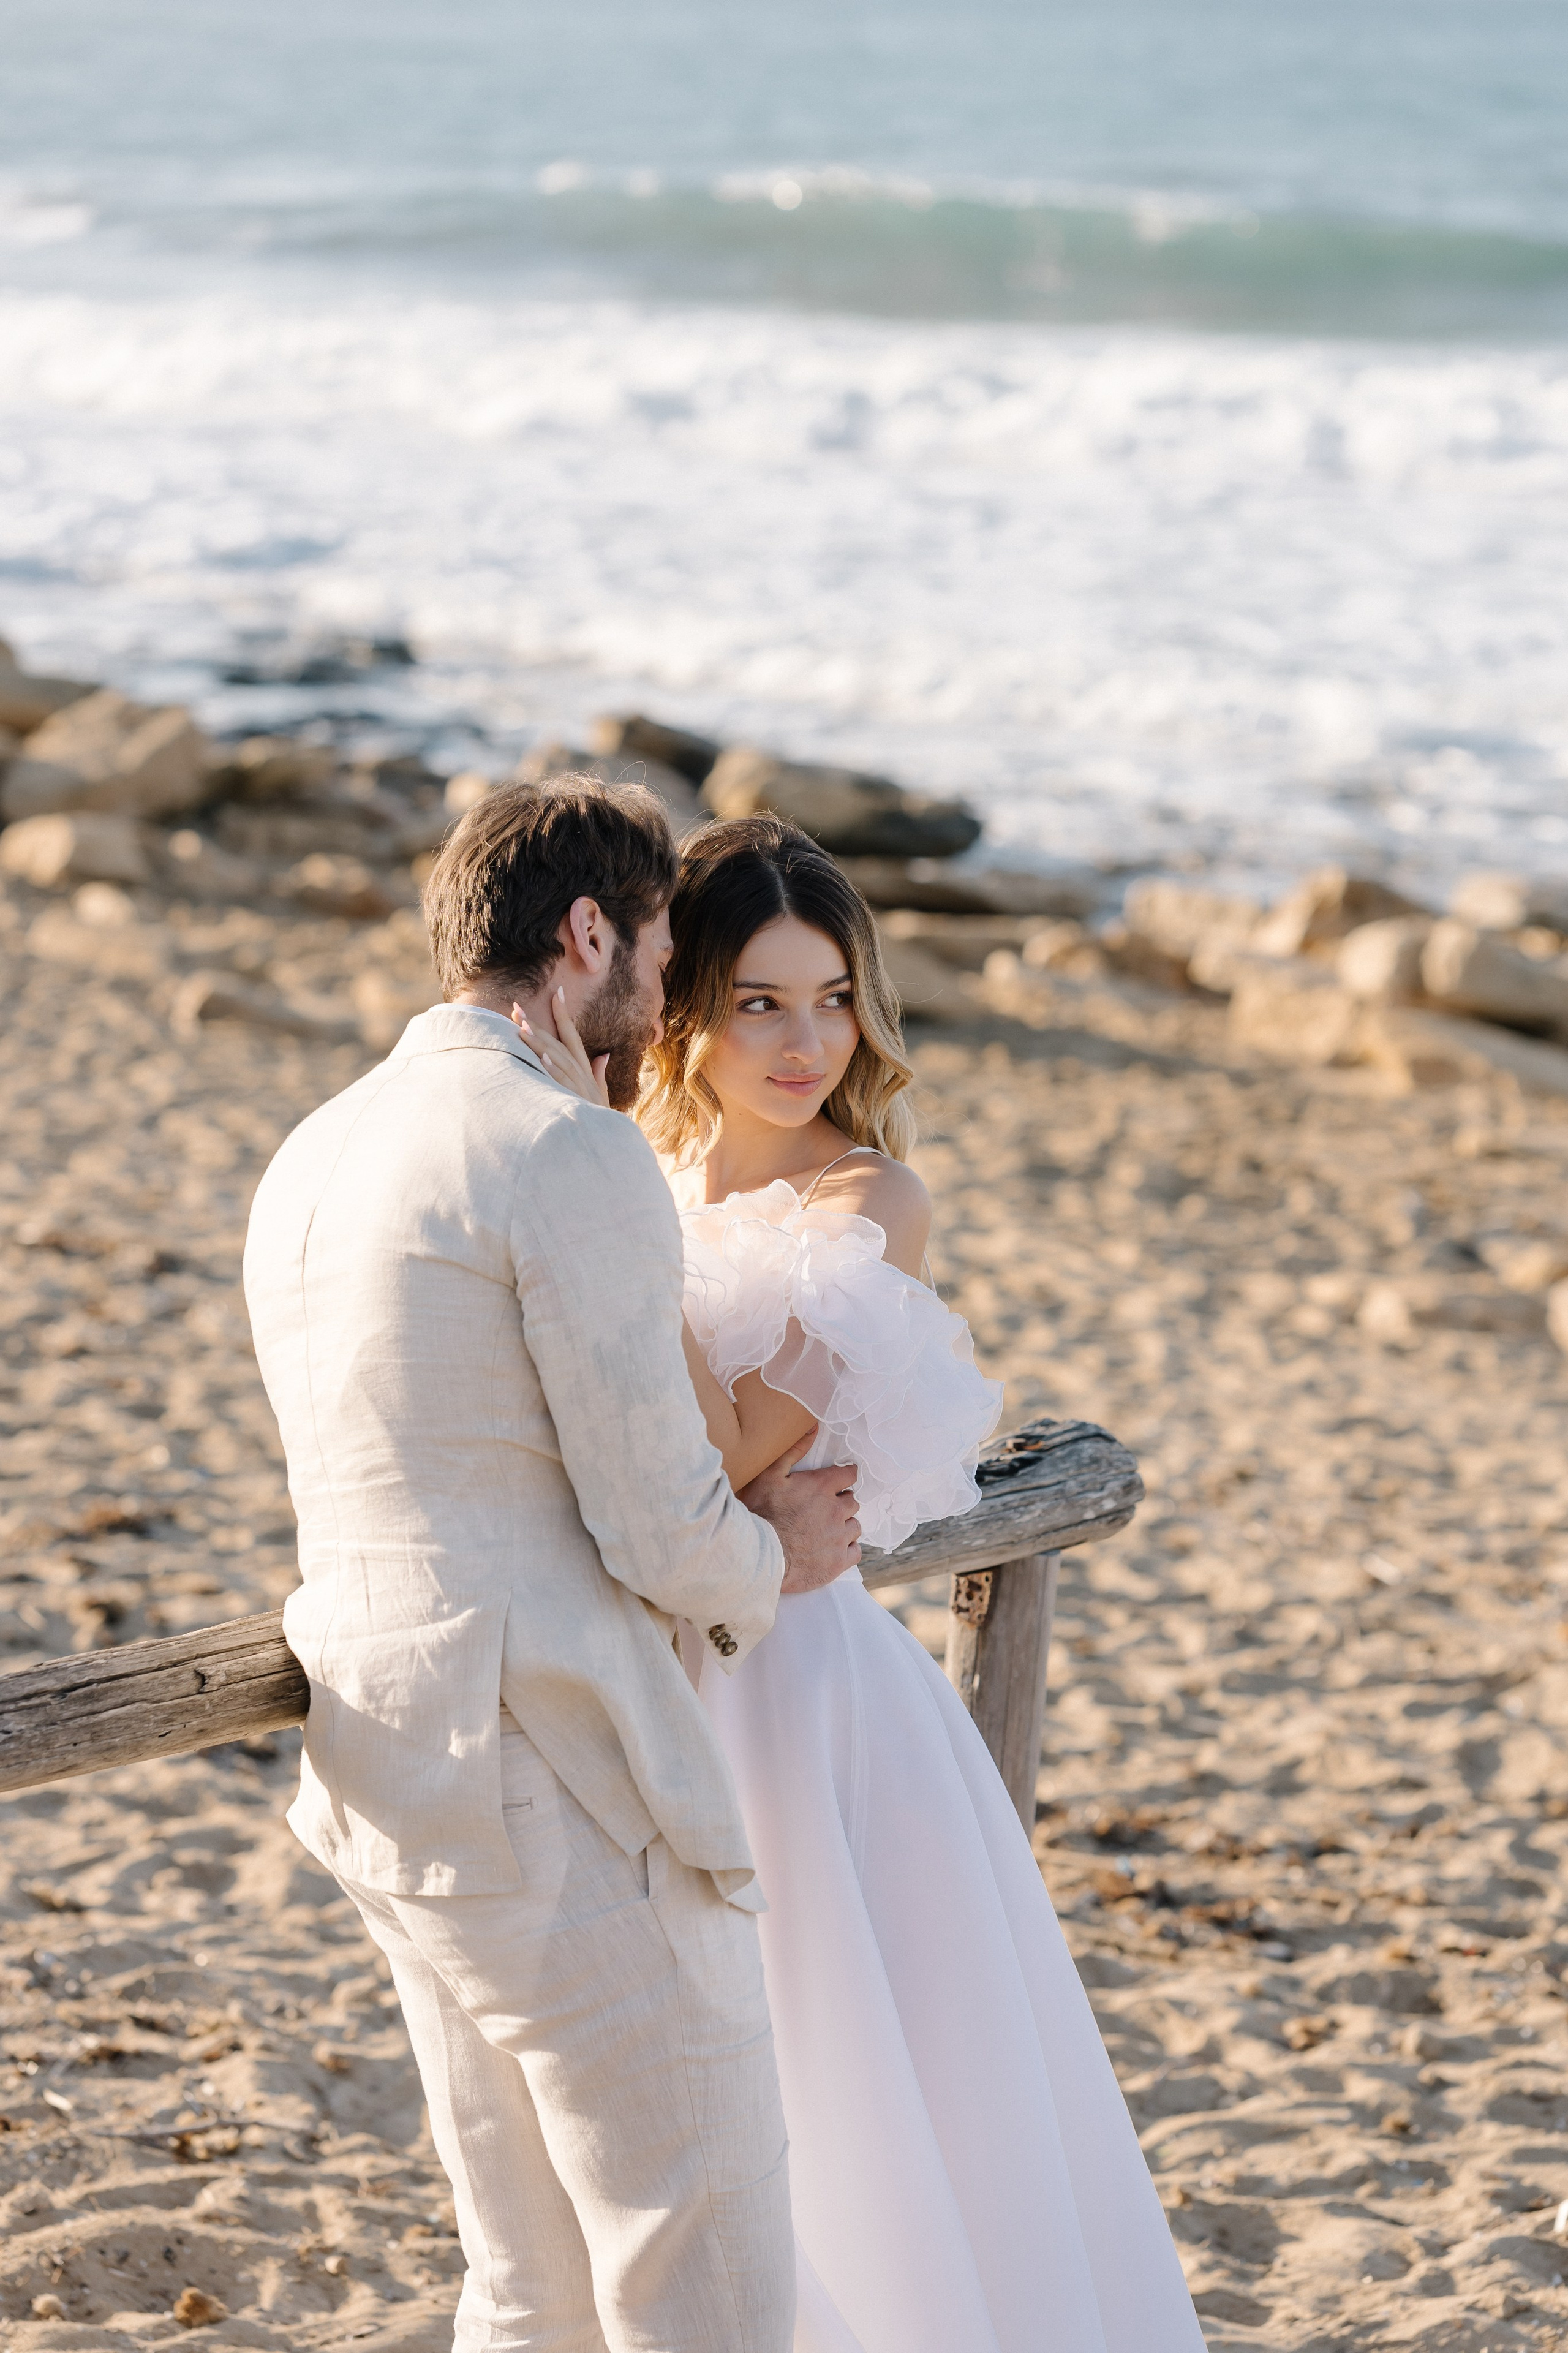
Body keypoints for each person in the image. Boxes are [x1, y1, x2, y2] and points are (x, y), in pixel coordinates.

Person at [519, 814, 1206, 2353]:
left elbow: (747, 1444)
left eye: (830, 998)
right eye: (760, 1000)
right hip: (643, 1662)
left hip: (798, 1693)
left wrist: (611, 1270)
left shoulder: (865, 1201)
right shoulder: (625, 1165)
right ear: (680, 1005)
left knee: (841, 2080)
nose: (806, 1040)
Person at [242, 777, 862, 2353]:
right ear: (587, 933)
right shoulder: (560, 1148)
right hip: (557, 1791)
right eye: (659, 955)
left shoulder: (314, 1149)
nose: (662, 1009)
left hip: (386, 1778)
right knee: (702, 2282)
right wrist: (774, 1554)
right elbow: (659, 1520)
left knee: (532, 2291)